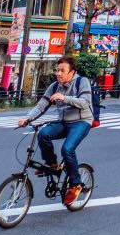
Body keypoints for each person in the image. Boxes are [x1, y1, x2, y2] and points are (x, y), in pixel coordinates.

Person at [17, 55, 94, 206]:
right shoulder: (54, 86)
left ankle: (76, 184)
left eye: (62, 70)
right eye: (57, 70)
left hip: (81, 122)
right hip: (64, 122)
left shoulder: (81, 82)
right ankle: (52, 164)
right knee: (43, 133)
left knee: (67, 149)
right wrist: (27, 119)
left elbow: (85, 103)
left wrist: (64, 98)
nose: (58, 73)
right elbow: (41, 105)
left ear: (71, 73)